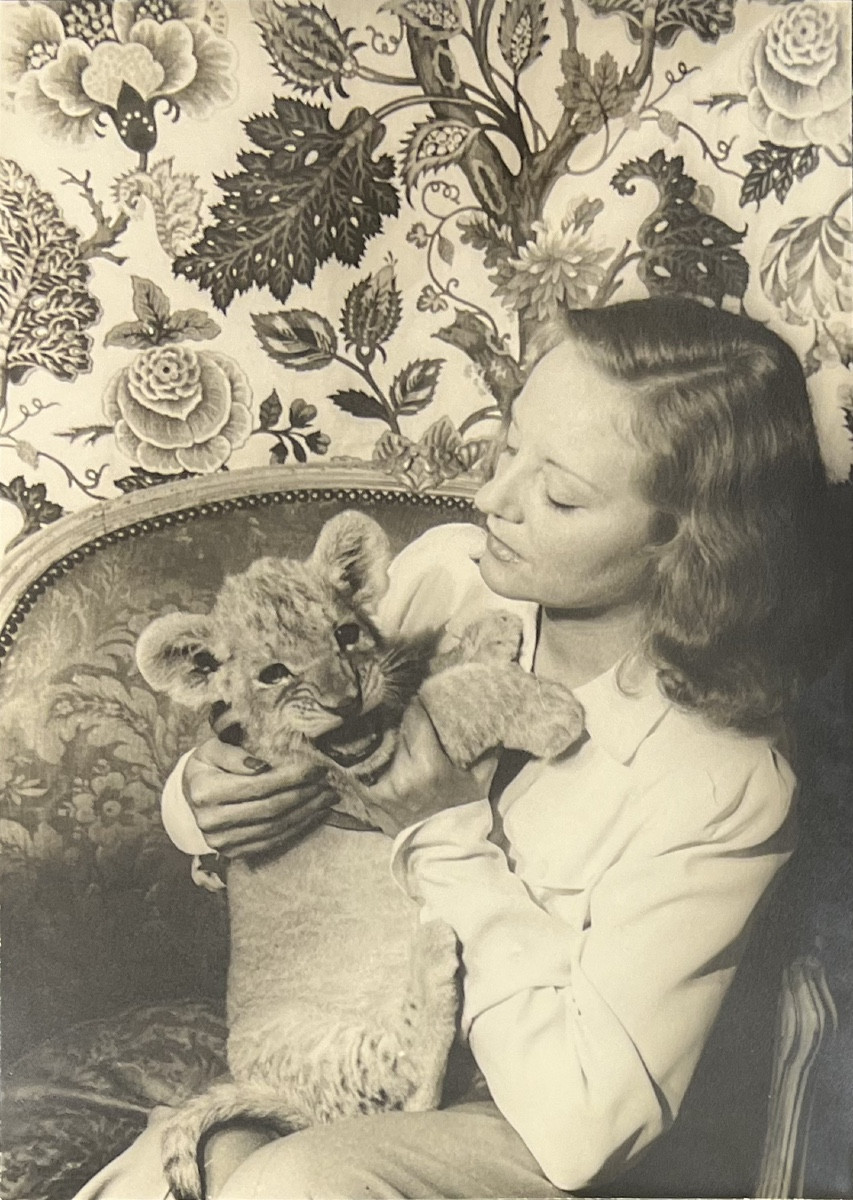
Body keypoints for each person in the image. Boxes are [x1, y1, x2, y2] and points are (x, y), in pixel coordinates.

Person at [74, 297, 833, 1200]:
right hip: (345, 1036)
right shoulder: (449, 575)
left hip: (521, 1118)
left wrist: (444, 832)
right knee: (195, 1166)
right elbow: (278, 728)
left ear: (682, 538)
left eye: (559, 495)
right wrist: (204, 796)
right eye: (509, 449)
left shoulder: (721, 778)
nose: (491, 500)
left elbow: (581, 1129)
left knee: (294, 1181)